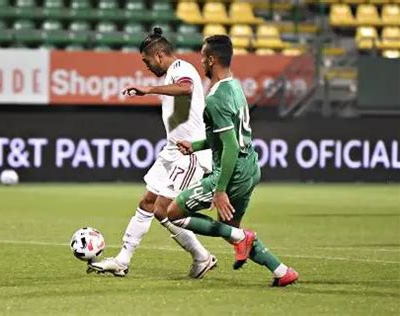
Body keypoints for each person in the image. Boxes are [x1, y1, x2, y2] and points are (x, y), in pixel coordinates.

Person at [167, 35, 299, 286]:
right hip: (250, 166)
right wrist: (195, 146)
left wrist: (219, 190)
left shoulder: (215, 99)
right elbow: (229, 138)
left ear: (212, 59)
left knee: (173, 212)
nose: (201, 62)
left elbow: (229, 146)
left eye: (203, 58)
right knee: (231, 229)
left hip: (232, 171)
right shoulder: (235, 87)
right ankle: (282, 271)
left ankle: (242, 238)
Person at [89, 27, 217, 279]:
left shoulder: (181, 69)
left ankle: (216, 247)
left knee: (167, 209)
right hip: (173, 150)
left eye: (146, 60)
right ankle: (123, 260)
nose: (146, 66)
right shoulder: (171, 72)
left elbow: (186, 88)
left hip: (189, 152)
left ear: (159, 55)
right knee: (149, 204)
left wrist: (148, 90)